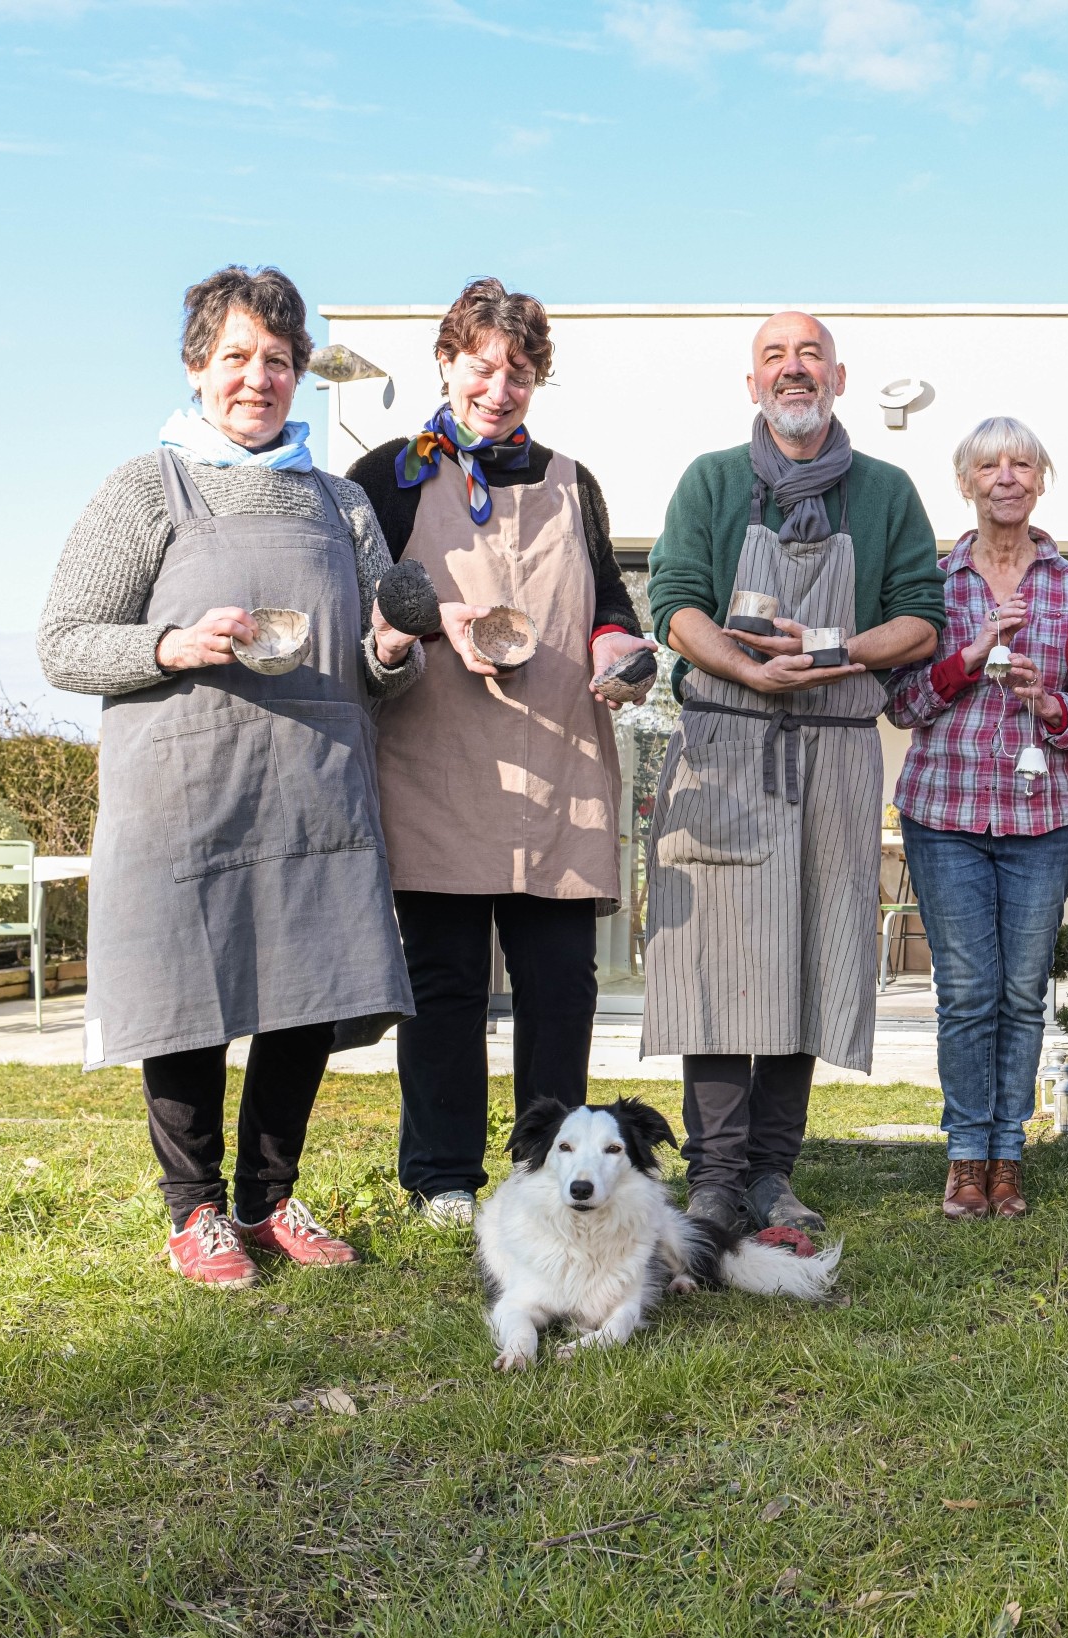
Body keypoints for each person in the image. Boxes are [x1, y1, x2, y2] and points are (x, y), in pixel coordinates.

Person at [37, 266, 418, 1288]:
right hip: (190, 789)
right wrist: (169, 644)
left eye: (280, 362)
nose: (260, 379)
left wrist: (388, 650)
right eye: (239, 357)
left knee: (307, 992)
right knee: (188, 995)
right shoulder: (146, 486)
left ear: (301, 376)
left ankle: (267, 1199)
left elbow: (388, 662)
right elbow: (64, 643)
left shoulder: (340, 505)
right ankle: (192, 1210)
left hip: (315, 785)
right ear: (199, 365)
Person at [344, 278, 661, 1232]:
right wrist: (425, 625)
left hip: (561, 765)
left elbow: (609, 603)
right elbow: (361, 610)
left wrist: (622, 655)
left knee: (559, 989)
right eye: (482, 366)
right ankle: (442, 1174)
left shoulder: (575, 481)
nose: (500, 387)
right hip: (436, 768)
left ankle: (546, 1172)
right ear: (446, 361)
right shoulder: (385, 477)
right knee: (442, 988)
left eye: (519, 372)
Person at [641, 311, 943, 1236]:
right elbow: (674, 605)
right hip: (729, 744)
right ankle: (716, 1175)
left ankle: (772, 1174)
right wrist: (746, 669)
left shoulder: (887, 491)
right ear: (753, 384)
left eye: (810, 354)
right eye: (775, 355)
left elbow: (922, 619)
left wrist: (835, 652)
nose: (793, 369)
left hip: (837, 751)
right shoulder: (712, 481)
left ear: (839, 378)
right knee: (722, 965)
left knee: (811, 954)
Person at [887, 418, 1068, 1222]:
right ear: (967, 483)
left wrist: (1053, 707)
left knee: (1021, 992)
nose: (1007, 476)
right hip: (944, 811)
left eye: (1022, 463)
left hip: (1044, 815)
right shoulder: (932, 584)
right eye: (990, 465)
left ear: (1041, 480)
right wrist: (968, 652)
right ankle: (964, 1155)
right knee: (967, 990)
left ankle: (1007, 1158)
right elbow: (902, 701)